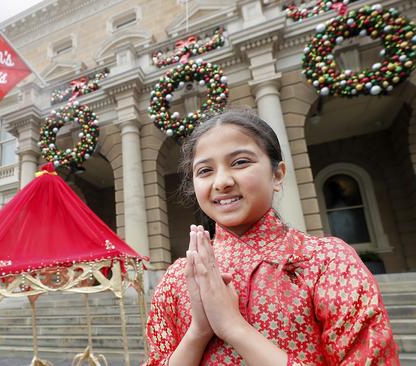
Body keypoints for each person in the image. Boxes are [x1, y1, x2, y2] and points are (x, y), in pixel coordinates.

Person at [145, 109, 398, 365]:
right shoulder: (177, 277)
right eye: (205, 170)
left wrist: (234, 327)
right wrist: (198, 332)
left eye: (240, 162)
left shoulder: (327, 261)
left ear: (277, 174)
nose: (221, 181)